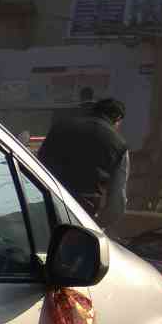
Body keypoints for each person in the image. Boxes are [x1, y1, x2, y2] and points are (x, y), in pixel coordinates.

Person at [38, 97, 129, 229]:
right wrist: (97, 227)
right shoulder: (119, 145)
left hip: (44, 204)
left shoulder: (60, 127)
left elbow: (38, 163)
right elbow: (117, 202)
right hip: (80, 213)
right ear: (117, 118)